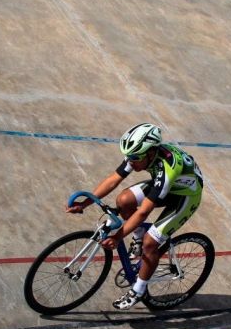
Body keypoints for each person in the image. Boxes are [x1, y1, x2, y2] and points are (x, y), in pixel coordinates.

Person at [66, 122, 204, 310]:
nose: (130, 162)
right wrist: (85, 203)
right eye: (128, 157)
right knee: (124, 200)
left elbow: (143, 212)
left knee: (151, 242)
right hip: (167, 186)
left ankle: (138, 290)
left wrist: (118, 236)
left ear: (150, 152)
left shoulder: (167, 169)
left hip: (186, 196)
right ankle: (137, 240)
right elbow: (113, 179)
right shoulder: (139, 154)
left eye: (135, 158)